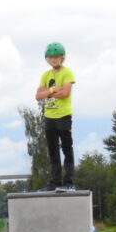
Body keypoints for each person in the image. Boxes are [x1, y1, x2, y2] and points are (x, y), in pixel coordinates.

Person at [35, 41, 76, 191]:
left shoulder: (67, 73)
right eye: (50, 57)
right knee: (52, 149)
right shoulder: (45, 75)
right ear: (47, 59)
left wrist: (48, 92)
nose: (53, 60)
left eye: (56, 57)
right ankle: (55, 182)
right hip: (49, 116)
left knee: (66, 148)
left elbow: (65, 93)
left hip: (63, 116)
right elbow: (38, 96)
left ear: (62, 58)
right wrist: (52, 91)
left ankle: (69, 181)